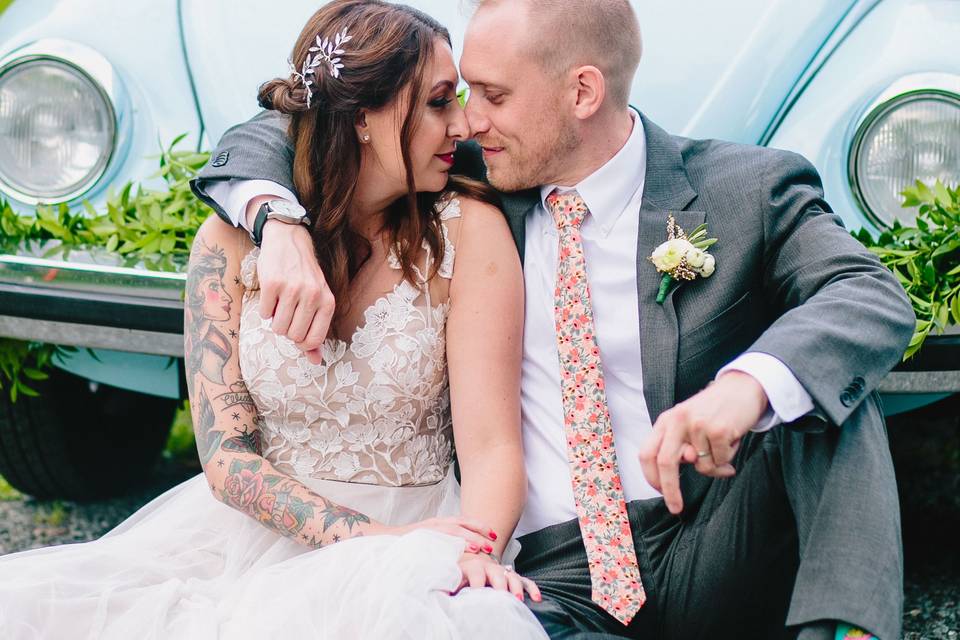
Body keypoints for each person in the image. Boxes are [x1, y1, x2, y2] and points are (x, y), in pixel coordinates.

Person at [193, 1, 918, 638]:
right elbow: (299, 123)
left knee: (821, 393)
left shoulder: (745, 189)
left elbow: (866, 295)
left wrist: (745, 388)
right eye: (463, 96)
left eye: (494, 96)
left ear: (581, 91)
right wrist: (275, 218)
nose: (470, 119)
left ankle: (848, 633)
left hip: (711, 530)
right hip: (556, 573)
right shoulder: (466, 174)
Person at [0, 2, 551, 638]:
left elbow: (492, 447)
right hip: (254, 535)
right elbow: (228, 458)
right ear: (363, 119)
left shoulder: (467, 234)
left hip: (423, 532)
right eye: (436, 103)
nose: (463, 124)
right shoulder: (228, 242)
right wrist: (369, 540)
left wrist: (471, 553)